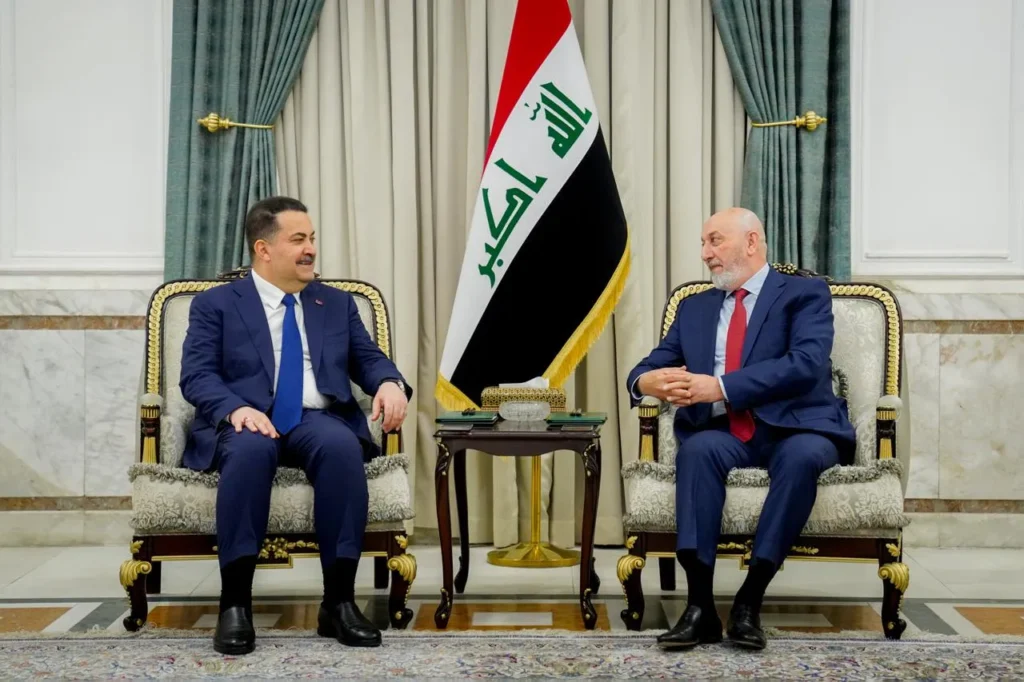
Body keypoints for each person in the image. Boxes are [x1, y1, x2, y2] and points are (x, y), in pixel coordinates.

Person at [179, 196, 412, 655]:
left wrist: (389, 382)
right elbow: (197, 374)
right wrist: (234, 409)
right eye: (299, 239)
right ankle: (235, 605)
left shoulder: (335, 303)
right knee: (250, 452)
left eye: (312, 239)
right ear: (263, 249)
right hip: (247, 419)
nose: (311, 250)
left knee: (341, 447)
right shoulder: (216, 304)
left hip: (315, 418)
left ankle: (339, 603)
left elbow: (368, 359)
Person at [626, 207, 855, 651]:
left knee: (802, 458)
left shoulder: (804, 294)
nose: (705, 253)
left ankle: (749, 602)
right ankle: (700, 608)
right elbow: (650, 365)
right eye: (703, 243)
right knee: (697, 451)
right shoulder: (695, 307)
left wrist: (721, 387)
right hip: (727, 432)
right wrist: (645, 382)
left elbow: (805, 363)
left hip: (799, 427)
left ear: (751, 242)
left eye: (715, 240)